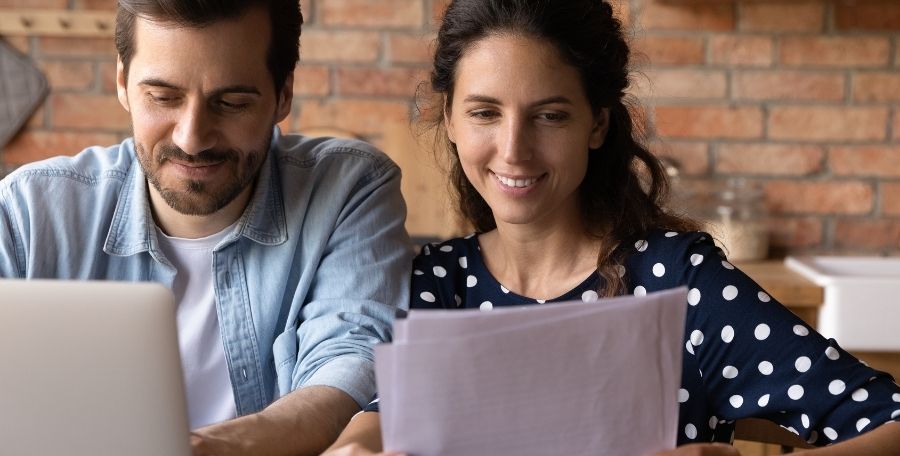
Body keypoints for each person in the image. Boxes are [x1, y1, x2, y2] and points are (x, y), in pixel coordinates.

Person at [323, 0, 900, 455]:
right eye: (485, 113)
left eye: (550, 115)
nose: (514, 149)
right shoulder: (432, 284)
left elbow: (889, 420)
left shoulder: (680, 284)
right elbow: (376, 416)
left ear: (597, 124)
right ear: (449, 119)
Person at [0, 1, 412, 455]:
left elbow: (349, 361)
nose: (191, 137)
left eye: (232, 103)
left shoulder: (349, 187)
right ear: (122, 83)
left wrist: (198, 449)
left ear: (283, 95)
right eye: (162, 97)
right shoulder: (26, 212)